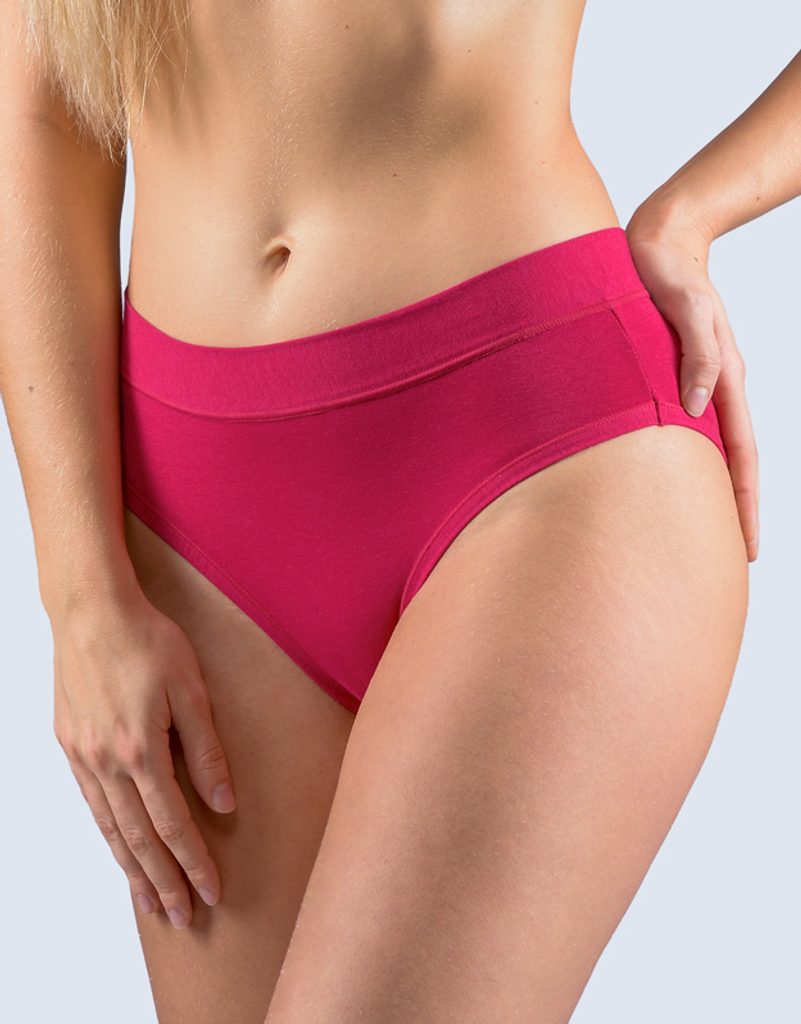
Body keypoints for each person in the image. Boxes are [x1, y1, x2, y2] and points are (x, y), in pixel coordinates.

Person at [1, 1, 787, 1021]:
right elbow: (40, 109)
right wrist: (81, 594)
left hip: (534, 445)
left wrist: (694, 212)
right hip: (192, 517)